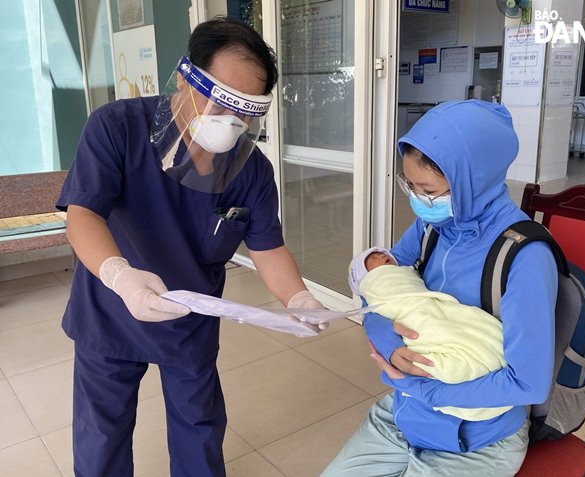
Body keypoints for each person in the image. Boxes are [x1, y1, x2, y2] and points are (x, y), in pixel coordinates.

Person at [57, 16, 325, 477]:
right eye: (217, 101)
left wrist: (297, 298)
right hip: (110, 309)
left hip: (189, 318)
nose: (228, 121)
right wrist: (119, 275)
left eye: (242, 112)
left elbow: (267, 247)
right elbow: (83, 213)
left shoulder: (252, 171)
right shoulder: (117, 128)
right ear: (184, 78)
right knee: (102, 430)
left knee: (198, 426)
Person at [322, 100, 558, 477]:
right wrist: (390, 344)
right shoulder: (432, 227)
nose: (418, 200)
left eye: (427, 189)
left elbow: (527, 383)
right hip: (405, 414)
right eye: (410, 185)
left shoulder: (525, 257)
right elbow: (378, 289)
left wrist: (429, 391)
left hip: (477, 438)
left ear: (472, 180)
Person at [348, 247, 511, 421]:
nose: (382, 255)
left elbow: (528, 386)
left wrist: (411, 385)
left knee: (467, 334)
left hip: (487, 425)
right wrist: (380, 330)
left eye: (382, 254)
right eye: (372, 258)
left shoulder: (523, 248)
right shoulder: (422, 233)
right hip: (414, 412)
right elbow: (371, 298)